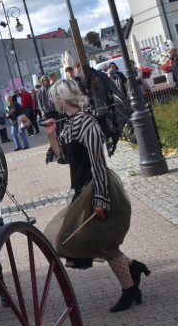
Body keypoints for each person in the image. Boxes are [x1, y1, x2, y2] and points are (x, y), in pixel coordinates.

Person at [42, 79, 150, 313]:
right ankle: (132, 268)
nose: (54, 104)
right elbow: (65, 159)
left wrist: (100, 198)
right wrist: (51, 136)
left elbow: (98, 163)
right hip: (81, 190)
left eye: (55, 99)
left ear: (63, 99)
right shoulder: (70, 125)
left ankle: (130, 289)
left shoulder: (87, 123)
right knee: (88, 240)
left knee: (99, 241)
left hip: (96, 188)